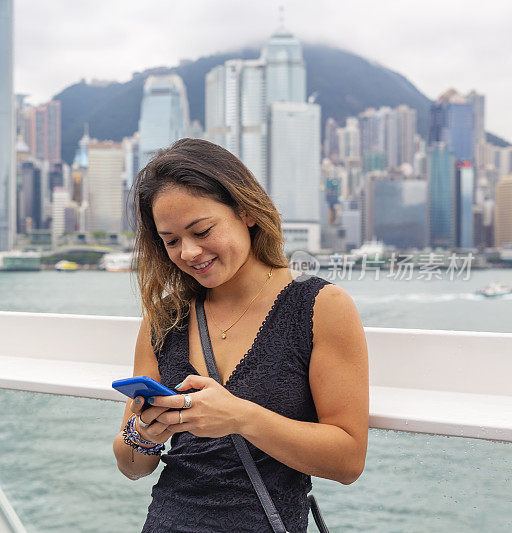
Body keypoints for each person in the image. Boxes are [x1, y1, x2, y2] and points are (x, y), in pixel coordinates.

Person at [112, 138, 369, 532]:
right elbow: (133, 467)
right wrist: (146, 433)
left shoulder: (320, 306)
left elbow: (348, 461)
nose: (190, 252)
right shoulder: (165, 317)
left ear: (246, 211)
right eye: (171, 241)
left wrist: (240, 417)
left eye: (202, 230)